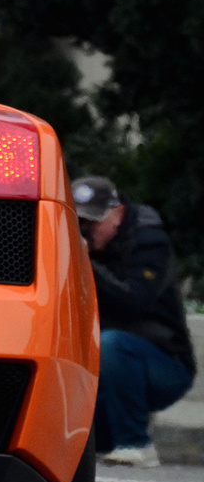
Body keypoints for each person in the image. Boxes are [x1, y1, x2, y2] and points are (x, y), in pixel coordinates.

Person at [73, 176, 196, 467]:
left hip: (165, 363)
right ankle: (119, 429)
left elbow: (132, 302)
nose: (85, 233)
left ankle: (136, 443)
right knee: (92, 447)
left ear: (118, 214)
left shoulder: (150, 243)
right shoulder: (91, 248)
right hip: (107, 367)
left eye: (91, 224)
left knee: (113, 344)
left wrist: (86, 261)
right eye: (78, 225)